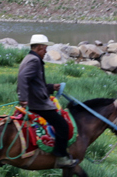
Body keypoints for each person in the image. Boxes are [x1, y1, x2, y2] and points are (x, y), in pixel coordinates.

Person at [16, 33, 76, 167]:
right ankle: (60, 157)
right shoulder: (35, 60)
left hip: (35, 101)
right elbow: (23, 78)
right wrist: (23, 98)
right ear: (39, 48)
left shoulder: (28, 58)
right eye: (45, 49)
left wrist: (51, 87)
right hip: (38, 104)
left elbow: (35, 84)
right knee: (62, 126)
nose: (46, 51)